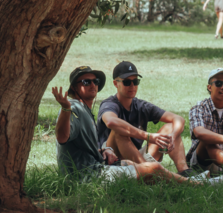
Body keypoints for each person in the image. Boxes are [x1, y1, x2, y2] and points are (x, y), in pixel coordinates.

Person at [52, 66, 201, 184]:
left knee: (135, 161)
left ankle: (183, 173)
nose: (92, 84)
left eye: (95, 81)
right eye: (86, 82)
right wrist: (65, 109)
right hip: (87, 176)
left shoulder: (85, 110)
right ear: (74, 88)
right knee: (151, 167)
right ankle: (197, 185)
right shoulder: (75, 107)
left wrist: (103, 151)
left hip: (98, 165)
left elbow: (178, 119)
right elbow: (62, 137)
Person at [97, 61, 193, 177]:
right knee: (119, 130)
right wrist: (148, 136)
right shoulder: (110, 104)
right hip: (112, 158)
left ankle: (184, 172)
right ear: (115, 83)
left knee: (170, 127)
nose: (132, 86)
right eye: (127, 82)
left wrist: (172, 136)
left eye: (135, 81)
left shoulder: (140, 106)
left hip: (135, 157)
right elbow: (111, 122)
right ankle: (149, 173)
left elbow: (178, 119)